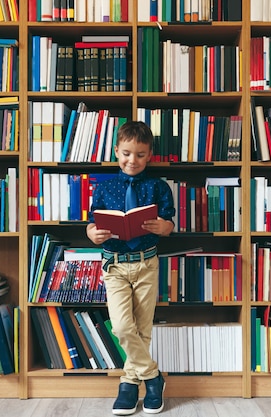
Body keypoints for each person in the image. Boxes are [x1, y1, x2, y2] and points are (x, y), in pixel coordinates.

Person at [87, 121, 175, 415]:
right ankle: (152, 376)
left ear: (149, 154)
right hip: (114, 266)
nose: (132, 160)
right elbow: (91, 222)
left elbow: (169, 224)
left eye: (139, 154)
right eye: (126, 153)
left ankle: (128, 383)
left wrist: (164, 226)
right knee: (123, 327)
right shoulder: (104, 187)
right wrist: (92, 233)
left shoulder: (158, 187)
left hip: (146, 263)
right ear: (116, 152)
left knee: (142, 329)